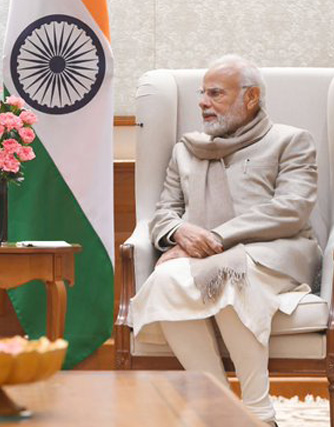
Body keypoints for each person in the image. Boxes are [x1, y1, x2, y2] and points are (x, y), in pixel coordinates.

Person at [128, 54, 321, 426]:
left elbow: (292, 209)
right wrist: (180, 232)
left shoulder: (290, 140)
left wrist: (216, 238)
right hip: (199, 255)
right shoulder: (186, 150)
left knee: (230, 274)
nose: (203, 102)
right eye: (202, 93)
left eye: (215, 93)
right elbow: (165, 211)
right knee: (164, 279)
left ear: (251, 97)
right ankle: (217, 408)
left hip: (275, 253)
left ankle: (259, 412)